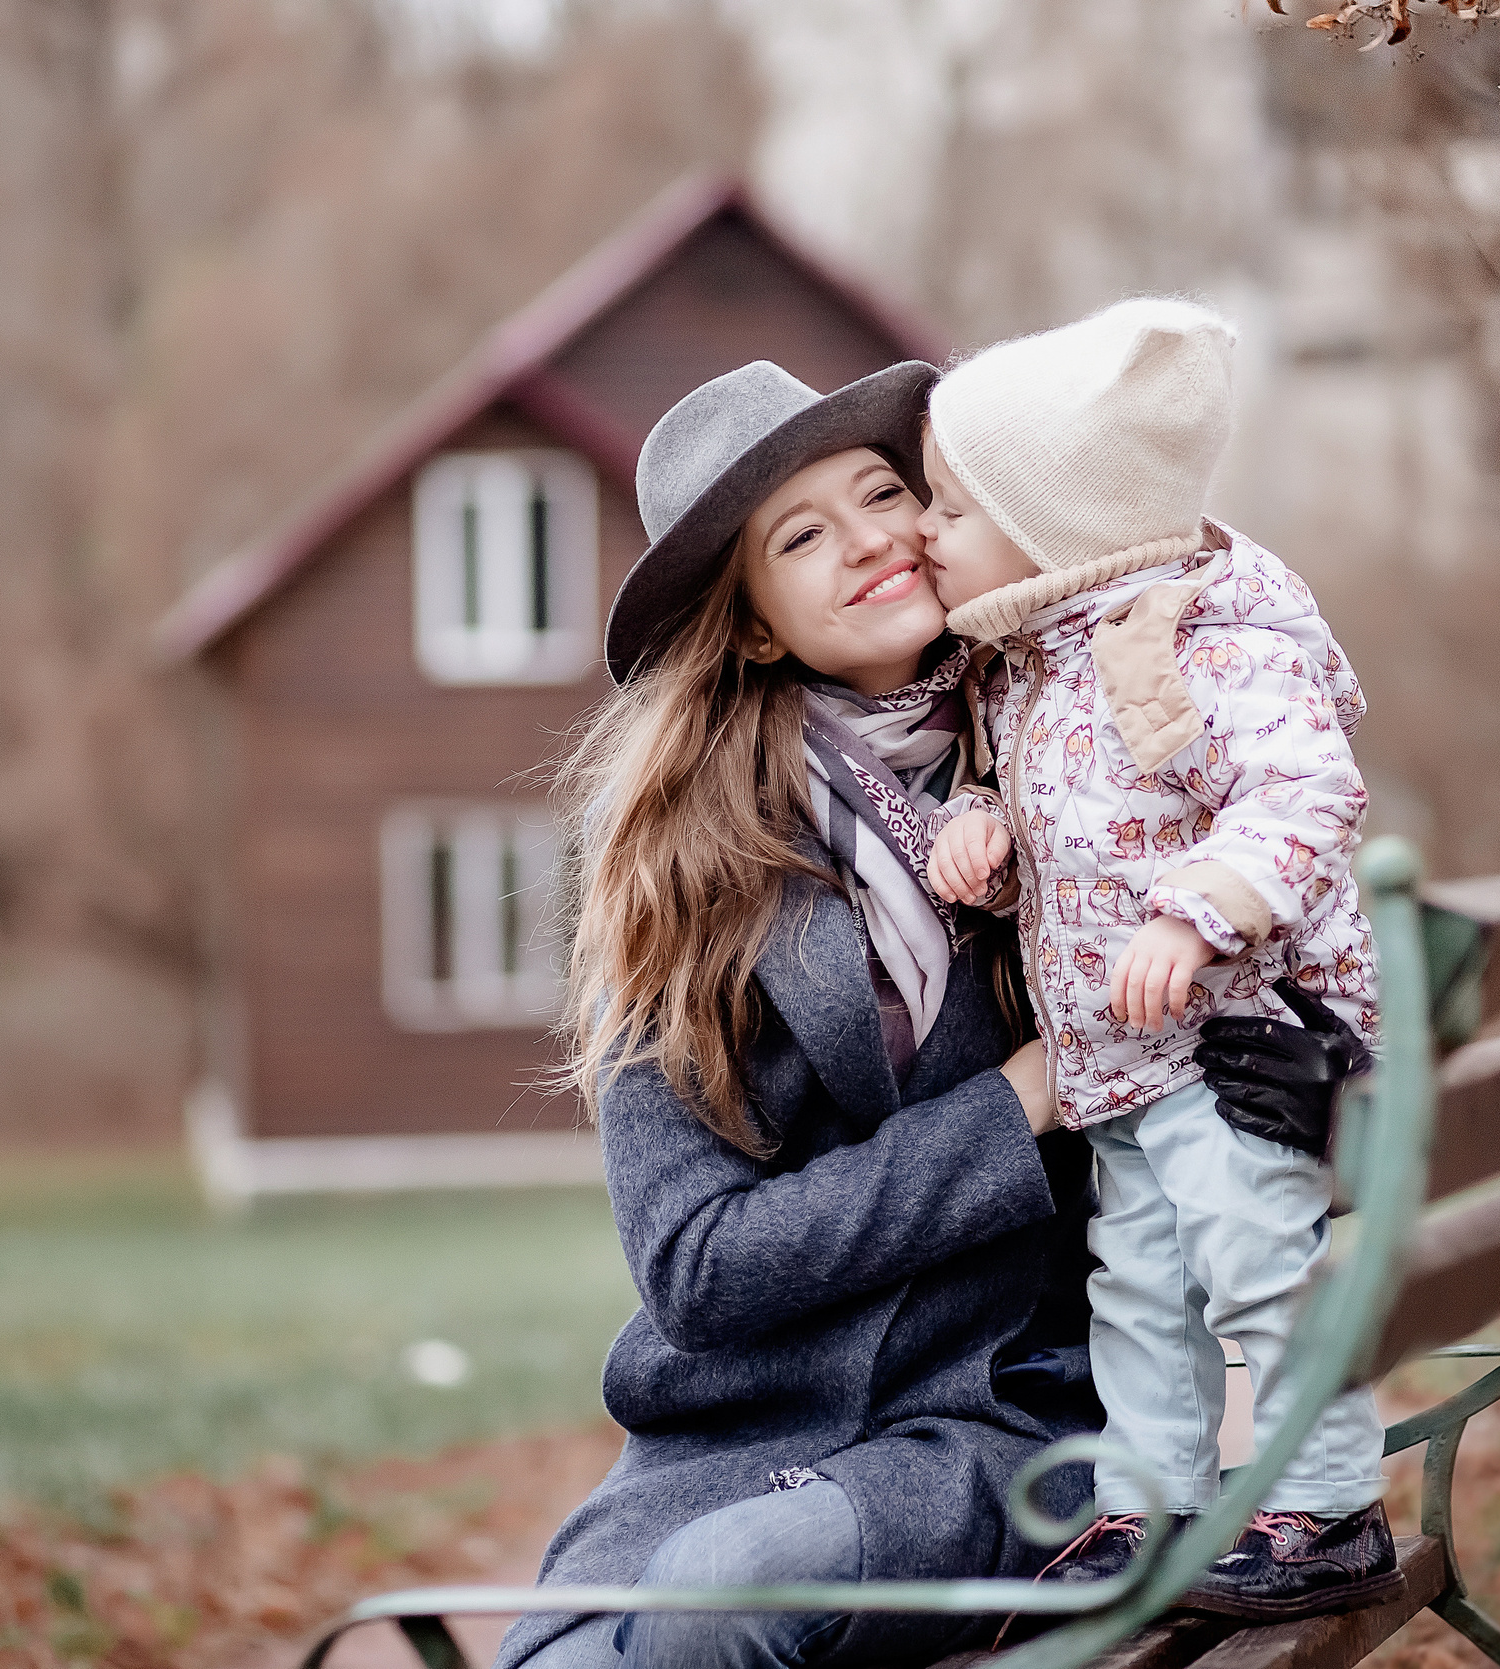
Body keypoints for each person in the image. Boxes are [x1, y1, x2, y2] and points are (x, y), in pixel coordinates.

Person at [498, 357, 1102, 1669]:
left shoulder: (1073, 766)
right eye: (804, 533)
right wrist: (1016, 1104)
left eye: (882, 492)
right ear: (759, 624)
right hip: (723, 1446)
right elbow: (698, 1266)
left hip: (993, 1427)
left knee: (722, 1597)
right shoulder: (681, 876)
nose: (871, 538)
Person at [921, 297, 1400, 1623]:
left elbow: (1307, 796)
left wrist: (1192, 915)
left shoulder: (1194, 638)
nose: (922, 531)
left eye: (950, 505)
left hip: (1241, 1044)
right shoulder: (1031, 667)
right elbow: (1077, 818)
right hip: (1120, 1061)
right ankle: (1152, 1507)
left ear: (1054, 519)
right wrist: (984, 838)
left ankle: (1326, 1508)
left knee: (1254, 1270)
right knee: (1137, 1286)